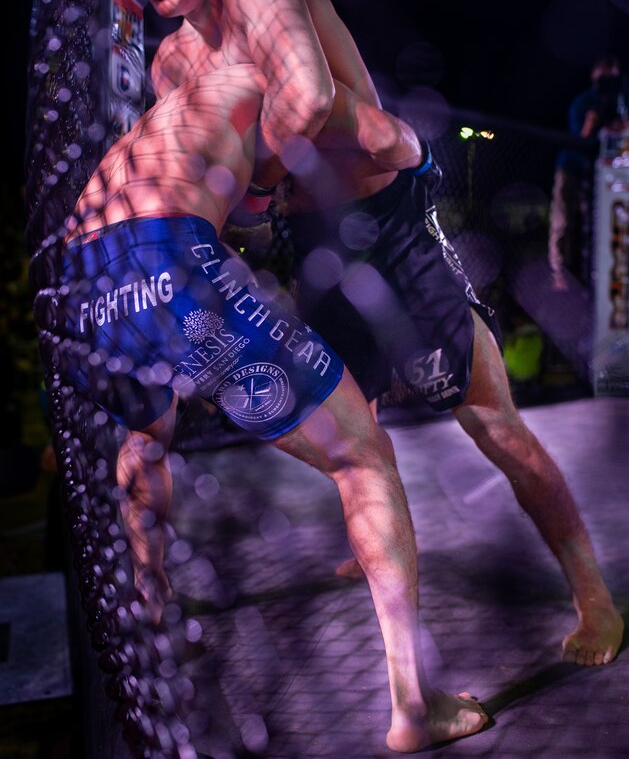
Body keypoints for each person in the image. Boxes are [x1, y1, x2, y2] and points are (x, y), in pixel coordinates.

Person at [106, 0, 623, 668]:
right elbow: (204, 180)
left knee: (490, 422)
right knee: (354, 428)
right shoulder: (170, 63)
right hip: (306, 243)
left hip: (386, 228)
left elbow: (308, 107)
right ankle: (379, 560)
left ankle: (594, 595)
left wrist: (261, 182)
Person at [49, 63, 490, 753]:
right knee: (363, 455)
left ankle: (151, 599)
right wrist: (423, 159)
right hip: (166, 257)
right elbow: (385, 136)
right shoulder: (271, 71)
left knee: (145, 434)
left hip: (80, 288)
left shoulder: (161, 123)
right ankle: (415, 705)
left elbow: (236, 214)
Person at [549, 53, 624, 291]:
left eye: (613, 78)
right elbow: (582, 137)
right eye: (605, 78)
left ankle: (590, 274)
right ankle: (559, 274)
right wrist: (595, 118)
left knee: (592, 221)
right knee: (563, 220)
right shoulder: (584, 102)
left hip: (601, 173)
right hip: (572, 166)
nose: (609, 83)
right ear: (595, 76)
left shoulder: (619, 103)